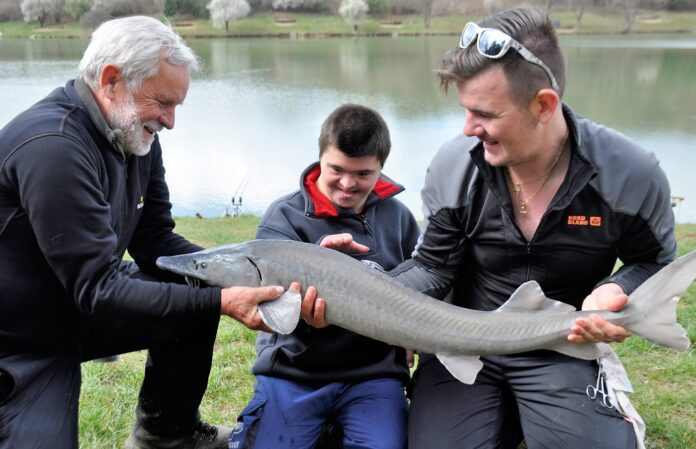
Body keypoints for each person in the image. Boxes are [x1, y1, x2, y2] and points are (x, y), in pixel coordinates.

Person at [0, 16, 314, 449]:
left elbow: (155, 242)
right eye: (163, 102)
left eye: (176, 106)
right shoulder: (54, 147)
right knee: (201, 299)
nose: (169, 121)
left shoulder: (133, 134)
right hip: (18, 343)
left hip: (72, 311)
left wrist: (246, 274)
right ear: (111, 80)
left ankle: (167, 435)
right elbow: (98, 288)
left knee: (193, 292)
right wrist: (222, 299)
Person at [385, 5, 676, 449]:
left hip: (557, 342)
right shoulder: (453, 166)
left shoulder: (630, 174)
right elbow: (432, 268)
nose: (468, 129)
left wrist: (618, 291)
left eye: (484, 113)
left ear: (543, 106)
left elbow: (652, 260)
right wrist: (360, 286)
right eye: (465, 110)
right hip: (463, 343)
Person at [228, 104, 421, 449]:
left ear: (381, 168)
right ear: (320, 158)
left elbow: (420, 288)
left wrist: (408, 334)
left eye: (363, 174)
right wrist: (316, 265)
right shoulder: (283, 217)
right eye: (337, 169)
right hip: (294, 373)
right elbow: (265, 308)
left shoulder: (401, 218)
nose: (348, 184)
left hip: (374, 374)